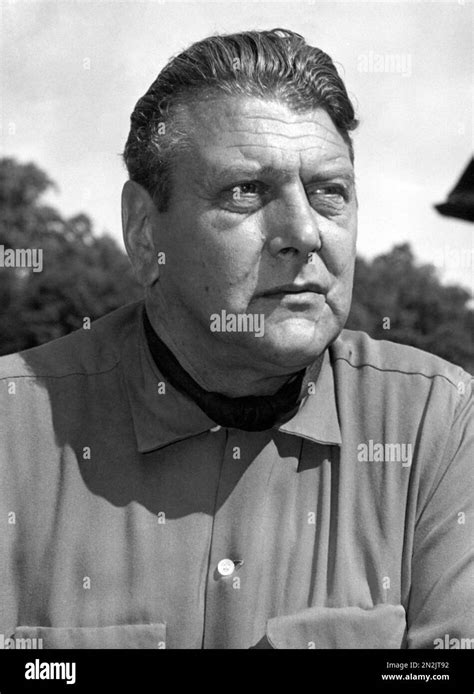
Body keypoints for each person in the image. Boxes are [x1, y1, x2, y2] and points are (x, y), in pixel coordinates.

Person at [0, 29, 472, 650]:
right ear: (145, 233)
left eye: (330, 192)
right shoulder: (13, 430)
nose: (304, 232)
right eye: (246, 191)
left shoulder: (436, 426)